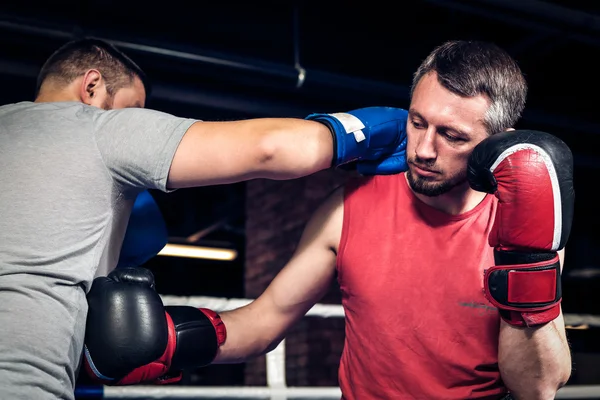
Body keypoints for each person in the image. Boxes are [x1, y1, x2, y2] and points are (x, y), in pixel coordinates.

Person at [84, 40, 575, 399]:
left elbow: (536, 388)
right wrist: (169, 341)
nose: (423, 150)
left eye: (452, 135)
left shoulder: (523, 225)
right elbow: (265, 320)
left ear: (498, 140)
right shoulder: (352, 206)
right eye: (417, 122)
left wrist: (528, 264)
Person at [0, 36, 409, 400]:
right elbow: (273, 147)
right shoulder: (97, 128)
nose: (133, 118)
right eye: (132, 109)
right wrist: (380, 130)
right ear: (92, 87)